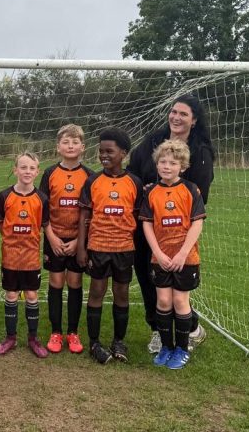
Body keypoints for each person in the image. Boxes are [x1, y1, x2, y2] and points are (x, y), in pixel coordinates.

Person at [128, 94, 214, 353]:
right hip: (147, 221)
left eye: (183, 114)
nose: (176, 117)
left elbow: (199, 195)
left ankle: (191, 328)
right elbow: (132, 170)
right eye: (174, 111)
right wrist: (143, 190)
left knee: (177, 285)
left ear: (194, 120)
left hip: (177, 229)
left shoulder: (200, 151)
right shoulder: (154, 140)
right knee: (148, 277)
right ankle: (158, 329)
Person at [77, 128, 143, 365]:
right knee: (97, 291)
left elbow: (138, 217)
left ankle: (118, 341)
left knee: (121, 293)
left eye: (109, 151)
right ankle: (94, 343)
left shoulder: (134, 182)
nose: (104, 155)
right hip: (98, 246)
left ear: (123, 153)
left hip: (124, 248)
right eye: (101, 151)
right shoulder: (93, 181)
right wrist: (82, 248)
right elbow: (84, 215)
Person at [140, 139, 206, 370]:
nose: (167, 166)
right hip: (161, 258)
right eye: (163, 162)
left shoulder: (191, 190)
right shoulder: (151, 192)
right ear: (157, 164)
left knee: (179, 301)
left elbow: (197, 223)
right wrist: (157, 252)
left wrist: (182, 253)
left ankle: (182, 349)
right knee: (164, 301)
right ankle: (167, 346)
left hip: (185, 258)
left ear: (182, 167)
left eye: (172, 163)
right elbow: (147, 224)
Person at [40, 124, 95, 354]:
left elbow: (92, 212)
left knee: (74, 282)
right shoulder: (50, 173)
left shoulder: (89, 176)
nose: (70, 146)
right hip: (54, 237)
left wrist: (79, 242)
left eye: (75, 142)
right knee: (55, 282)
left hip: (77, 240)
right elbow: (42, 209)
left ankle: (72, 332)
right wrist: (51, 237)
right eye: (66, 142)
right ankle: (56, 332)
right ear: (58, 147)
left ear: (82, 147)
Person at [0, 152, 50, 357]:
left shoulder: (42, 198)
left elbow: (44, 224)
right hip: (10, 256)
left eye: (31, 168)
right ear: (15, 170)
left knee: (32, 295)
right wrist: (10, 239)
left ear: (37, 172)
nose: (27, 171)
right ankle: (10, 338)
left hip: (31, 256)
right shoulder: (4, 196)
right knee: (11, 294)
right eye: (23, 167)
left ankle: (33, 339)